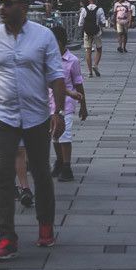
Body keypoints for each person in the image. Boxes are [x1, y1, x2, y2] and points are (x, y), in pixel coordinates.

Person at [0, 0, 66, 260]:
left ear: (23, 8)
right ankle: (7, 236)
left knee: (40, 172)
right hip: (2, 115)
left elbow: (56, 76)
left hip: (36, 115)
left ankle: (45, 226)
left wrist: (59, 112)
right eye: (1, 3)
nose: (2, 8)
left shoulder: (43, 36)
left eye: (8, 3)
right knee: (3, 175)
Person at [50, 22, 87, 181]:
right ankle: (59, 160)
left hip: (67, 102)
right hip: (49, 102)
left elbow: (78, 84)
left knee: (65, 135)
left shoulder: (72, 60)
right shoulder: (49, 59)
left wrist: (83, 106)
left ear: (61, 41)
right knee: (55, 135)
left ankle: (67, 166)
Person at [78, 0, 107, 76]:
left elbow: (80, 23)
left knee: (88, 51)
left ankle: (90, 72)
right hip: (96, 32)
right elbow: (103, 22)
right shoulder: (99, 9)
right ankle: (95, 65)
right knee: (99, 49)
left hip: (87, 32)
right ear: (96, 0)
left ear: (89, 0)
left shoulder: (84, 9)